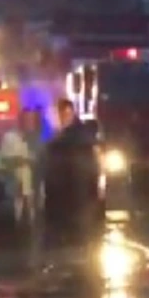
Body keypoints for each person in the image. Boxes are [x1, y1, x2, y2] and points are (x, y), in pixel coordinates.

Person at [43, 99, 101, 248]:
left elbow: (74, 167)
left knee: (77, 237)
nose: (51, 119)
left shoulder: (73, 136)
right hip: (75, 194)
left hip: (73, 194)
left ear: (66, 113)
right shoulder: (72, 135)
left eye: (54, 115)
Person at [0, 109, 42, 229]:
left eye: (33, 120)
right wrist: (22, 161)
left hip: (32, 190)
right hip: (14, 190)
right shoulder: (9, 138)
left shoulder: (36, 140)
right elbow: (4, 161)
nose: (30, 123)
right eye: (28, 120)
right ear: (21, 121)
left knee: (33, 224)